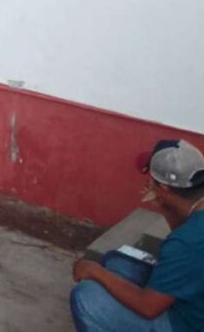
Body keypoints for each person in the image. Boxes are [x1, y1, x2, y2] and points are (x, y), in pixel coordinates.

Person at [71, 139, 204, 332]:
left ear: (165, 189)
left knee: (86, 296)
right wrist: (166, 208)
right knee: (114, 262)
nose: (149, 184)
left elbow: (148, 307)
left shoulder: (187, 242)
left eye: (153, 182)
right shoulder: (195, 213)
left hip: (188, 324)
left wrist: (94, 272)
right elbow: (186, 253)